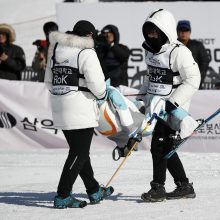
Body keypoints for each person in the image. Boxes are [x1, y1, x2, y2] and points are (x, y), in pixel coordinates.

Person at [44, 20, 114, 209]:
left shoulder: (56, 48)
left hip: (60, 105)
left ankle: (93, 190)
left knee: (80, 153)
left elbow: (48, 81)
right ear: (89, 35)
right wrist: (103, 95)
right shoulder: (86, 51)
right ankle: (63, 195)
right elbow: (98, 85)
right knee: (79, 152)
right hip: (80, 107)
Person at [139, 9, 201, 202]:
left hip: (173, 107)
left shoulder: (179, 52)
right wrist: (143, 97)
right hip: (156, 106)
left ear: (165, 30)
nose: (152, 35)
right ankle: (184, 185)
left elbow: (193, 79)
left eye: (156, 32)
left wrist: (172, 102)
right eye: (149, 32)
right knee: (165, 147)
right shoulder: (150, 51)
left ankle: (158, 187)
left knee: (159, 146)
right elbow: (152, 77)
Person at [177, 20, 209, 89]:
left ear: (190, 32)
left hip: (194, 84)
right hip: (175, 84)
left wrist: (198, 80)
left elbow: (204, 63)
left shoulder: (197, 45)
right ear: (177, 32)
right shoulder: (171, 45)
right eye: (181, 30)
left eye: (186, 30)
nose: (183, 33)